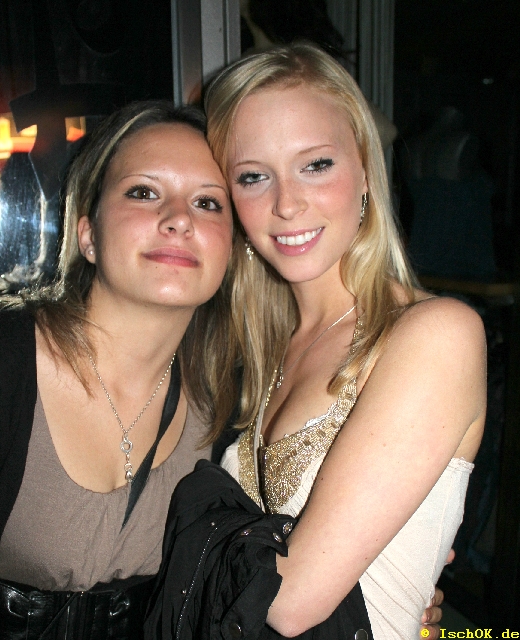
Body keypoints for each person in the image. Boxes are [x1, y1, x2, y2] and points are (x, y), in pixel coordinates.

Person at [203, 42, 485, 638]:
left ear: (364, 171)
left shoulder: (435, 335)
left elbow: (290, 603)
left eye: (315, 165)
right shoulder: (260, 349)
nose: (286, 203)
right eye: (253, 176)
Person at [0, 101, 236, 638]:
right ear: (87, 234)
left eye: (207, 203)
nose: (180, 218)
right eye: (144, 192)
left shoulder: (229, 406)